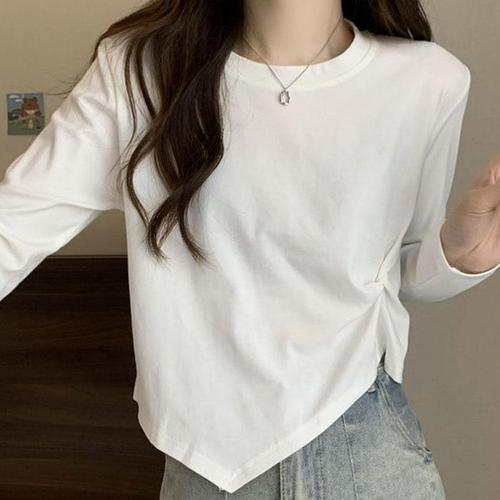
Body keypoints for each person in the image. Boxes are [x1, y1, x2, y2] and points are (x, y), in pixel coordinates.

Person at [1, 0, 500, 498]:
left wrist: (462, 256)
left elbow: (395, 271)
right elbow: (14, 226)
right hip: (204, 466)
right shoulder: (139, 71)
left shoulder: (429, 80)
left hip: (364, 448)